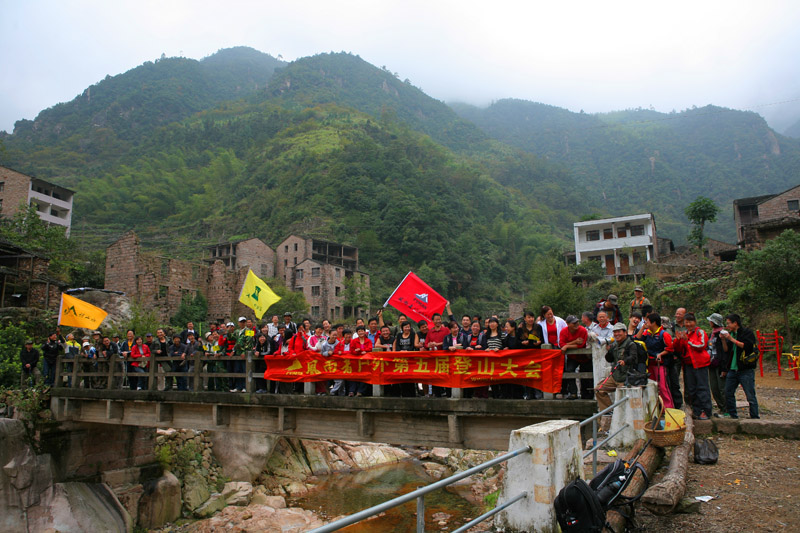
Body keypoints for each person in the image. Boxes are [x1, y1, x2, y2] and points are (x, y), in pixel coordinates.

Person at [720, 313, 759, 419]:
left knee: (750, 394)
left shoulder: (747, 333)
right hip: (732, 369)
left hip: (745, 369)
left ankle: (755, 416)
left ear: (735, 323)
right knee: (728, 392)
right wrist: (723, 339)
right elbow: (726, 350)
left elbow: (747, 346)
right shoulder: (731, 334)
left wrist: (731, 339)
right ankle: (733, 415)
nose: (727, 326)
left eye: (729, 323)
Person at [595, 323, 640, 412]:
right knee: (599, 389)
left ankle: (622, 414)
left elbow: (633, 357)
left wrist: (625, 361)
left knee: (623, 398)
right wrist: (609, 351)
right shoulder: (615, 345)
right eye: (615, 332)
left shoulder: (631, 344)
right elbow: (609, 359)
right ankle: (608, 411)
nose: (616, 334)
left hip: (626, 377)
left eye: (619, 332)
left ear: (625, 333)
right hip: (615, 376)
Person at [684, 313, 712, 420]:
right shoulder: (685, 333)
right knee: (692, 388)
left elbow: (702, 345)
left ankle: (706, 410)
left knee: (702, 387)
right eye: (687, 322)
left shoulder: (700, 332)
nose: (688, 324)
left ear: (695, 322)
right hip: (689, 364)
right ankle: (696, 410)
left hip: (700, 364)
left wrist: (688, 341)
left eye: (690, 321)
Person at [559, 315, 591, 400]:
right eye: (574, 323)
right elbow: (561, 344)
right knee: (569, 371)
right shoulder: (564, 331)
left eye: (577, 322)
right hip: (572, 357)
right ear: (568, 324)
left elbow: (582, 345)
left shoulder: (583, 330)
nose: (576, 324)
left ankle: (586, 394)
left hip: (584, 357)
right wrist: (575, 342)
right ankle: (573, 393)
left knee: (585, 374)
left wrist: (567, 346)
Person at [706, 313, 729, 417]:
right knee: (714, 387)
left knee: (722, 388)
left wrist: (724, 368)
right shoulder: (712, 334)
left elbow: (724, 352)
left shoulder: (722, 334)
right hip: (711, 363)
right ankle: (721, 407)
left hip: (720, 364)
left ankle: (727, 409)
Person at [668, 307, 688, 410]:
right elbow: (669, 338)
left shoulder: (688, 325)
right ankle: (677, 402)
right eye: (677, 313)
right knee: (675, 379)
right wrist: (678, 338)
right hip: (675, 355)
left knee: (688, 380)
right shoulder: (671, 326)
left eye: (680, 314)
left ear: (684, 315)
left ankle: (689, 402)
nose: (677, 316)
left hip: (687, 355)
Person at [348, 326, 373, 397]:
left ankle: (360, 391)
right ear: (357, 333)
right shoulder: (354, 341)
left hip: (365, 363)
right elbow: (351, 350)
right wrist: (357, 351)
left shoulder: (368, 341)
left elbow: (370, 348)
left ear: (365, 332)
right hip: (355, 362)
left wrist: (361, 350)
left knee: (365, 376)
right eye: (359, 331)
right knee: (353, 376)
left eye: (362, 331)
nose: (361, 332)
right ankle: (352, 391)